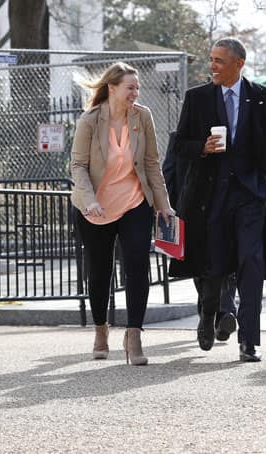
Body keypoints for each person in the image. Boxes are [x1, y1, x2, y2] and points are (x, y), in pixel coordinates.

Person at [169, 37, 266, 362]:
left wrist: (265, 186)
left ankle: (249, 341)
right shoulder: (198, 98)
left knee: (251, 264)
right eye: (212, 59)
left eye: (219, 60)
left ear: (239, 63)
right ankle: (208, 316)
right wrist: (201, 148)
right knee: (213, 266)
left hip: (250, 198)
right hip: (209, 197)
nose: (213, 66)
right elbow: (180, 145)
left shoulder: (263, 98)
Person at [70, 62, 174, 366]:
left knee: (138, 266)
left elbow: (152, 163)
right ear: (112, 88)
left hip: (133, 203)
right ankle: (101, 330)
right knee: (100, 273)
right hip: (96, 208)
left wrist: (163, 203)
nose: (135, 92)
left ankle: (134, 335)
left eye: (137, 87)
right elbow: (78, 166)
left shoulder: (143, 116)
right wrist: (89, 201)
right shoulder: (90, 121)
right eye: (130, 87)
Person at [162, 132, 238, 342]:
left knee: (207, 264)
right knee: (218, 263)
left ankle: (215, 313)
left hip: (197, 210)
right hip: (199, 209)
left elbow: (168, 173)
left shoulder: (180, 136)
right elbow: (169, 172)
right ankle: (221, 311)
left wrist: (170, 206)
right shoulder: (183, 138)